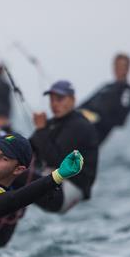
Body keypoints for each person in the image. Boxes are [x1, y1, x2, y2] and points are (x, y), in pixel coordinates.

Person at [31, 80, 99, 214]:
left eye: (60, 99)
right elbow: (30, 148)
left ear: (73, 100)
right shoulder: (51, 124)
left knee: (19, 177)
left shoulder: (79, 125)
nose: (54, 104)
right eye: (52, 100)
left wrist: (40, 130)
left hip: (69, 190)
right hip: (54, 182)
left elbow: (56, 160)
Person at [79, 53, 130, 144]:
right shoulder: (106, 86)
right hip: (79, 126)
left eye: (121, 66)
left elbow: (120, 120)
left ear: (128, 69)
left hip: (93, 136)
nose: (118, 69)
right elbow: (84, 104)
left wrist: (95, 117)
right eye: (116, 66)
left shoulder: (128, 91)